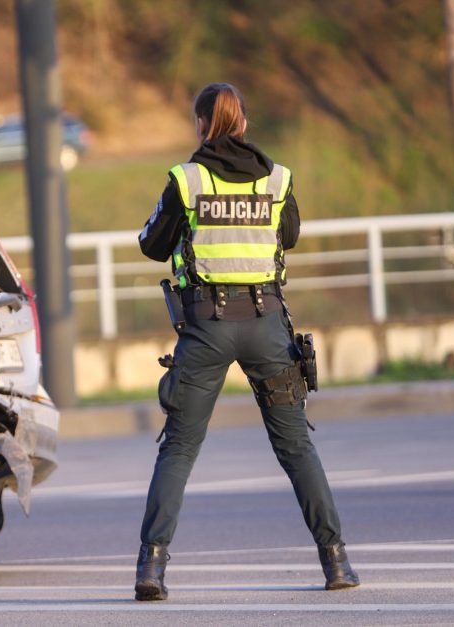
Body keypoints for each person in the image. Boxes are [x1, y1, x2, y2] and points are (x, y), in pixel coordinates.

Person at [133, 82, 359, 601]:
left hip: (207, 329)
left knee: (180, 449)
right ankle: (337, 561)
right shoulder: (277, 180)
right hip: (266, 328)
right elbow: (292, 235)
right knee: (297, 446)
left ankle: (152, 569)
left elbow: (152, 244)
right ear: (244, 125)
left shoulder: (186, 181)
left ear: (201, 125)